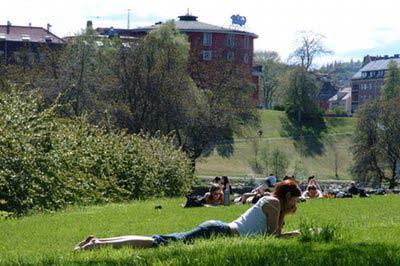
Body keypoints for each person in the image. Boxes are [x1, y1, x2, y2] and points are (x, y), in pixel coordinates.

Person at [74, 180, 302, 251]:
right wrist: (297, 234)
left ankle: (98, 242)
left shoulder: (271, 203)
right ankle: (97, 245)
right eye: (295, 200)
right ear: (288, 195)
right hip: (220, 233)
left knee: (162, 239)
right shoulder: (272, 202)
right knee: (159, 242)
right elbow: (273, 238)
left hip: (219, 230)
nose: (295, 205)